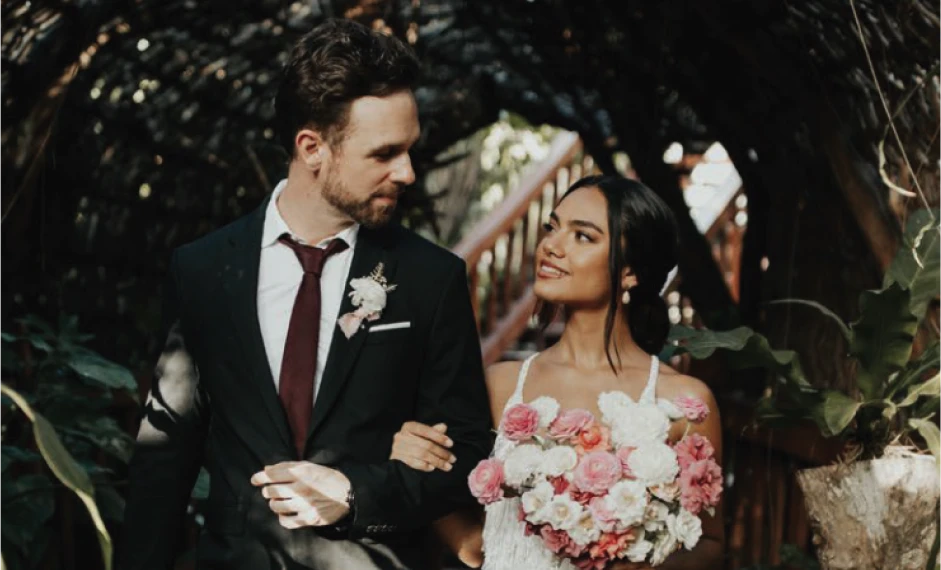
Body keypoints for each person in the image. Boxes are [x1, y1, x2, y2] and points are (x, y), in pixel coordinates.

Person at [120, 19, 492, 570]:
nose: (408, 172)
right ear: (312, 147)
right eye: (385, 153)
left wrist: (356, 494)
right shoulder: (202, 270)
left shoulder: (430, 278)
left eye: (410, 149)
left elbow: (465, 459)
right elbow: (164, 459)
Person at [390, 175, 726, 569]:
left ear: (630, 272)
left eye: (583, 236)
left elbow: (710, 543)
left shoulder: (684, 403)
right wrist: (413, 459)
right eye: (552, 227)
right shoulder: (500, 385)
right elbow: (447, 502)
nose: (551, 245)